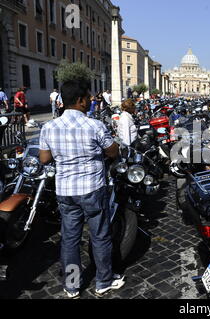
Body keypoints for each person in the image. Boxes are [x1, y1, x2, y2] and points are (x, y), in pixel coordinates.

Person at [39, 78, 125, 299]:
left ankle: (72, 285)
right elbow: (113, 152)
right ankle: (104, 281)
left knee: (69, 239)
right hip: (92, 189)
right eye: (87, 98)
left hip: (65, 191)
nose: (90, 101)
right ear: (79, 101)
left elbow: (45, 159)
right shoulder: (94, 125)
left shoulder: (49, 127)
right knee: (100, 236)